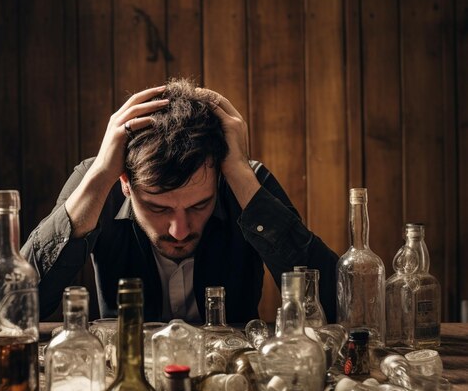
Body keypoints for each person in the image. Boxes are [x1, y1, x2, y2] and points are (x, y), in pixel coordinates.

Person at [22, 78, 338, 324]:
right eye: (158, 208)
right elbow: (12, 306)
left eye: (199, 205)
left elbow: (337, 303)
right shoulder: (99, 182)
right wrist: (101, 175)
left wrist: (240, 174)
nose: (179, 231)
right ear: (126, 184)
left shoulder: (244, 182)